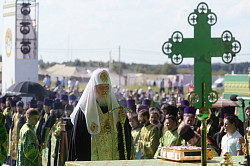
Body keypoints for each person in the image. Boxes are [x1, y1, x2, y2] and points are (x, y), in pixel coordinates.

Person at [68, 69, 132, 161]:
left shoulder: (117, 110)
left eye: (107, 87)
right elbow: (78, 143)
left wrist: (123, 122)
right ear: (93, 88)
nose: (105, 90)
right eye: (101, 87)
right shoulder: (84, 111)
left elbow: (125, 138)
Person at [9, 101, 26, 166]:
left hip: (19, 136)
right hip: (13, 136)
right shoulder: (14, 115)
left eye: (20, 107)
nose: (18, 108)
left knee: (18, 152)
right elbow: (12, 126)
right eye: (17, 107)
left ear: (22, 107)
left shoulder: (23, 116)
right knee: (13, 151)